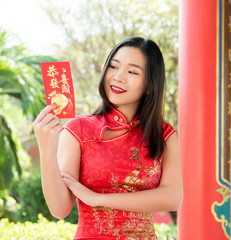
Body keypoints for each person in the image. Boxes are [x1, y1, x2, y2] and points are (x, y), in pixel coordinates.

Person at [33, 37, 183, 239]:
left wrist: (96, 198)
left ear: (149, 85)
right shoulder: (79, 129)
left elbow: (172, 198)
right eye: (114, 66)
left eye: (132, 71)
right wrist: (47, 150)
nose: (118, 77)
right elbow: (59, 210)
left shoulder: (163, 133)